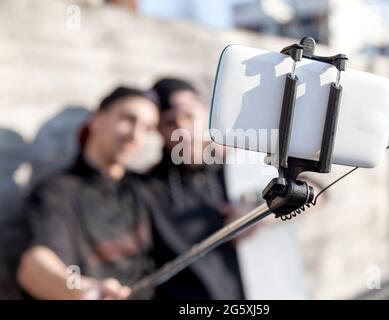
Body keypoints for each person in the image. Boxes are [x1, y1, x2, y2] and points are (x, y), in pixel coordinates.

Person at [17, 87, 160, 299]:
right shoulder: (58, 191)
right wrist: (83, 291)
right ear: (96, 119)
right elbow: (34, 265)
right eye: (128, 119)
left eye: (147, 128)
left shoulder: (144, 187)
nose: (136, 135)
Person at [144, 78, 245, 300]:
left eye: (189, 116)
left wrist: (262, 214)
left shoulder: (241, 164)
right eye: (170, 123)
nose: (182, 128)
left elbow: (313, 191)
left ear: (206, 113)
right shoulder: (148, 186)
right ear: (158, 130)